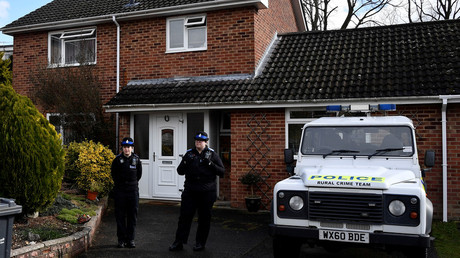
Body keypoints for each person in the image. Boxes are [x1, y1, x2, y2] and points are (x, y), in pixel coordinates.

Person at [169, 131, 225, 252]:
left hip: (206, 192)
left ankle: (200, 243)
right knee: (184, 218)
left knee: (204, 218)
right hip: (191, 191)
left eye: (201, 141)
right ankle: (178, 242)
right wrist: (185, 162)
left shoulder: (212, 154)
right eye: (196, 140)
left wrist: (210, 164)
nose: (198, 142)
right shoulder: (189, 154)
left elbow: (222, 172)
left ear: (206, 142)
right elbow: (180, 171)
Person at [111, 137, 142, 248]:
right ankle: (121, 240)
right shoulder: (117, 160)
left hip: (133, 191)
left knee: (132, 216)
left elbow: (138, 175)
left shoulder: (137, 160)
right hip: (120, 192)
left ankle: (130, 239)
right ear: (122, 148)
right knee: (120, 216)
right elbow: (113, 175)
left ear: (132, 148)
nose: (127, 149)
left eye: (128, 147)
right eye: (124, 147)